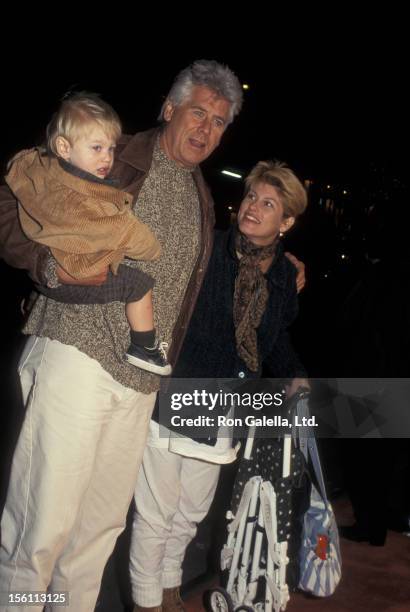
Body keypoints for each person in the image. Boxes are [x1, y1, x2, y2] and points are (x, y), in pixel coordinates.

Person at [0, 60, 244, 612]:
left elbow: (204, 286)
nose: (205, 129)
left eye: (220, 122)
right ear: (169, 109)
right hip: (76, 351)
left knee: (98, 533)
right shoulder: (112, 151)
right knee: (41, 527)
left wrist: (276, 263)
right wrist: (49, 268)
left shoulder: (202, 197)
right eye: (198, 113)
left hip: (139, 381)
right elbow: (14, 204)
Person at [130, 160, 309, 612]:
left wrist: (294, 373)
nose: (253, 208)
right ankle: (149, 602)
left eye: (269, 204)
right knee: (156, 514)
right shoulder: (209, 248)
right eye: (252, 197)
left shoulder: (285, 277)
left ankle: (170, 586)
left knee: (190, 513)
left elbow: (274, 337)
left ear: (285, 221)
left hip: (224, 405)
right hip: (181, 392)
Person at [5, 92, 172, 375]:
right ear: (64, 147)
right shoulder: (83, 196)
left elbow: (17, 171)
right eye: (96, 148)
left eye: (111, 148)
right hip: (74, 274)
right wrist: (153, 248)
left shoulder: (40, 171)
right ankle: (144, 346)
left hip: (55, 273)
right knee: (140, 284)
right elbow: (126, 234)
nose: (107, 157)